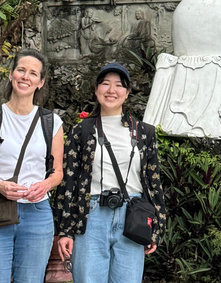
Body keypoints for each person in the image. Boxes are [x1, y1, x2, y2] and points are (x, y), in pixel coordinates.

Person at [54, 63, 166, 283]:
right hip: (91, 216)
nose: (111, 90)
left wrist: (157, 226)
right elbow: (68, 182)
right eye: (105, 84)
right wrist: (65, 230)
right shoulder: (82, 131)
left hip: (132, 217)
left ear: (127, 93)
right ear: (96, 90)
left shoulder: (144, 132)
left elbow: (154, 183)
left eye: (118, 85)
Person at [0, 49, 64, 283]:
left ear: (41, 82)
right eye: (21, 70)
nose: (25, 77)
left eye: (33, 73)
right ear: (11, 75)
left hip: (37, 213)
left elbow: (58, 171)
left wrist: (46, 184)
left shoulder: (51, 122)